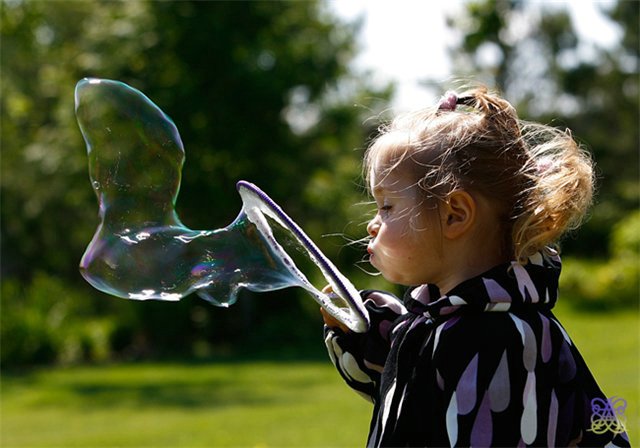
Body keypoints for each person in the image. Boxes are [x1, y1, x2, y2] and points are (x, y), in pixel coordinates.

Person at [321, 86, 630, 447]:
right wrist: (361, 335)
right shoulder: (445, 323)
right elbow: (409, 404)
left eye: (387, 206)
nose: (373, 224)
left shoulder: (497, 339)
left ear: (454, 214)